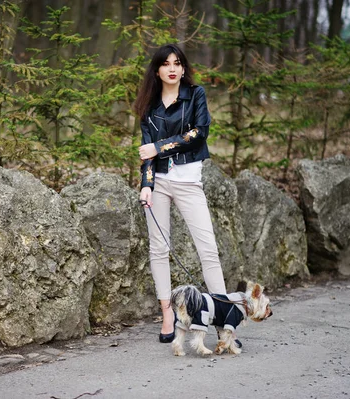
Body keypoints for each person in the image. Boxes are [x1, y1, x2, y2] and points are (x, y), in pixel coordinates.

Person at [133, 44, 229, 344]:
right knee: (159, 249)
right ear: (157, 70)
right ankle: (167, 313)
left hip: (189, 182)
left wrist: (160, 147)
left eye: (177, 63)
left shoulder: (196, 95)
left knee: (208, 250)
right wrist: (146, 185)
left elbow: (199, 133)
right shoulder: (148, 107)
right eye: (165, 64)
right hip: (158, 183)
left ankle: (225, 323)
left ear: (183, 68)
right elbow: (146, 155)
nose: (172, 68)